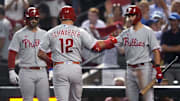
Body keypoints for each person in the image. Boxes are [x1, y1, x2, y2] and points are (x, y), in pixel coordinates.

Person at [38, 5, 117, 101]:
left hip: (59, 67)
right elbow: (97, 46)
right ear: (74, 17)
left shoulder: (51, 32)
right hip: (75, 67)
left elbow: (40, 53)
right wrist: (112, 41)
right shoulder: (80, 31)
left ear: (60, 17)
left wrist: (51, 62)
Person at [107, 5, 163, 101]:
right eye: (129, 16)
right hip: (130, 68)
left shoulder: (147, 31)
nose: (130, 18)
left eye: (133, 15)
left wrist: (158, 69)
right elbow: (113, 44)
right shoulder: (125, 33)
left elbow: (156, 51)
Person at [8, 7, 50, 101]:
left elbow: (49, 53)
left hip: (42, 71)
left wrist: (51, 69)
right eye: (30, 18)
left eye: (35, 18)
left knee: (45, 99)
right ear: (26, 19)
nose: (33, 20)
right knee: (27, 99)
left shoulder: (44, 34)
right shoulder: (19, 34)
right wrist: (11, 70)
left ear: (38, 19)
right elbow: (12, 52)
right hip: (26, 71)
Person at [161, 13, 180, 85]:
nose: (172, 23)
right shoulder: (166, 34)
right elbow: (163, 48)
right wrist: (176, 48)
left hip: (179, 64)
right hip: (168, 65)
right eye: (171, 21)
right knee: (168, 87)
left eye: (174, 21)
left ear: (178, 22)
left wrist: (168, 48)